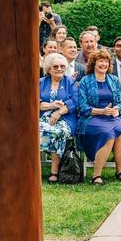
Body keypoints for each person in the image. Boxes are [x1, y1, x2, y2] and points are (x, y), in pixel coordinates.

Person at [77, 49, 121, 185]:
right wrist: (101, 111)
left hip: (112, 117)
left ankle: (120, 171)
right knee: (108, 134)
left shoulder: (113, 80)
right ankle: (96, 175)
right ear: (94, 63)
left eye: (106, 61)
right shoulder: (85, 81)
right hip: (92, 118)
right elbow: (82, 107)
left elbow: (119, 101)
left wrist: (116, 110)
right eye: (100, 61)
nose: (103, 64)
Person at [39, 52, 78, 183]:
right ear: (49, 69)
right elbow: (35, 102)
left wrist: (58, 112)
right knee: (32, 131)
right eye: (55, 67)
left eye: (62, 66)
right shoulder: (41, 82)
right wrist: (51, 105)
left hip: (65, 117)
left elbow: (74, 101)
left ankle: (54, 171)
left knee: (57, 132)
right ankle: (34, 168)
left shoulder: (70, 82)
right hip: (43, 116)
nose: (60, 69)